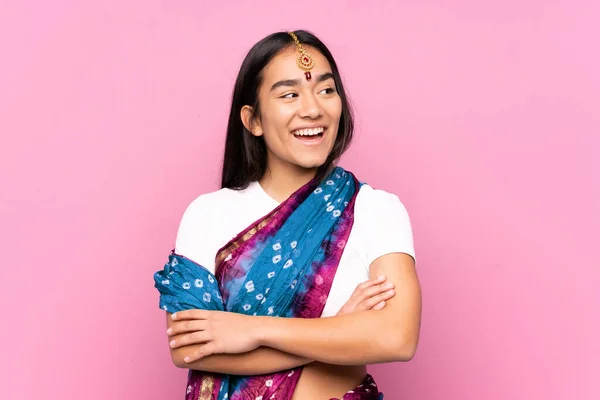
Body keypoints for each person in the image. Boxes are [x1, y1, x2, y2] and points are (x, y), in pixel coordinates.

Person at [154, 30, 422, 400]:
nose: (313, 109)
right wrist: (340, 330)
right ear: (254, 120)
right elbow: (188, 348)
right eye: (289, 94)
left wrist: (253, 330)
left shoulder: (376, 210)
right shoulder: (208, 214)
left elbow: (396, 337)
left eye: (326, 91)